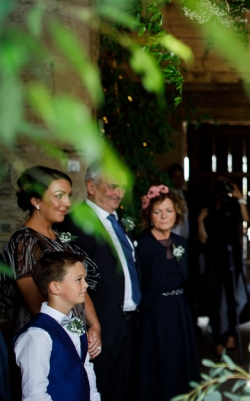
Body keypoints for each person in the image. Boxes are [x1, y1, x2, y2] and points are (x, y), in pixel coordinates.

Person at [0, 167, 101, 398]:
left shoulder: (61, 240)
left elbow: (80, 288)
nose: (67, 202)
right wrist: (76, 332)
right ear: (35, 200)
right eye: (59, 195)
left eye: (68, 195)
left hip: (71, 333)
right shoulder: (24, 242)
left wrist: (94, 325)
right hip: (49, 342)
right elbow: (41, 307)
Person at [55, 163, 139, 401]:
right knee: (97, 390)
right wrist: (91, 324)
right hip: (99, 324)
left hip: (129, 323)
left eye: (122, 187)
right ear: (90, 186)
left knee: (122, 390)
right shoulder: (74, 224)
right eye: (112, 186)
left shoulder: (121, 223)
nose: (119, 193)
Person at [135, 185, 200, 401]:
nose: (164, 216)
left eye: (169, 211)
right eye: (158, 211)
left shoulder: (181, 243)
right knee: (159, 365)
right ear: (149, 214)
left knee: (181, 362)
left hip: (180, 311)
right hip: (155, 313)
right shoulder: (142, 245)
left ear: (177, 213)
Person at [14, 251, 100, 401]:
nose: (86, 285)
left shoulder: (75, 324)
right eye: (79, 279)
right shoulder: (37, 335)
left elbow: (86, 369)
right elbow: (35, 396)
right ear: (55, 287)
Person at [197, 176, 248, 357]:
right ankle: (218, 339)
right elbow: (202, 240)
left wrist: (238, 196)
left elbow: (245, 218)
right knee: (215, 300)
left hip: (231, 258)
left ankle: (231, 335)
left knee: (232, 299)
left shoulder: (233, 204)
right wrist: (200, 221)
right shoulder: (208, 208)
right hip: (213, 259)